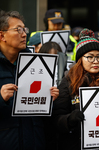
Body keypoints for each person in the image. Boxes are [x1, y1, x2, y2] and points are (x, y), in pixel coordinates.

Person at [0, 10, 59, 150]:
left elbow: (47, 120)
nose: (24, 34)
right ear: (2, 35)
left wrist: (50, 101)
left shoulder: (37, 64)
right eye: (18, 29)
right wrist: (1, 98)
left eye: (24, 29)